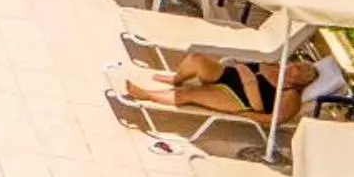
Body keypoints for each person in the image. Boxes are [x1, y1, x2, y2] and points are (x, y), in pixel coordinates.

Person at [119, 50, 332, 124]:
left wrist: (247, 114)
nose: (292, 68)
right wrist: (240, 67)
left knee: (188, 94)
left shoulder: (291, 97)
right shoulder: (278, 66)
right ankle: (176, 78)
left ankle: (144, 94)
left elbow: (272, 121)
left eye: (298, 71)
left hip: (238, 97)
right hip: (229, 74)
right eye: (295, 65)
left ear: (303, 82)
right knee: (196, 59)